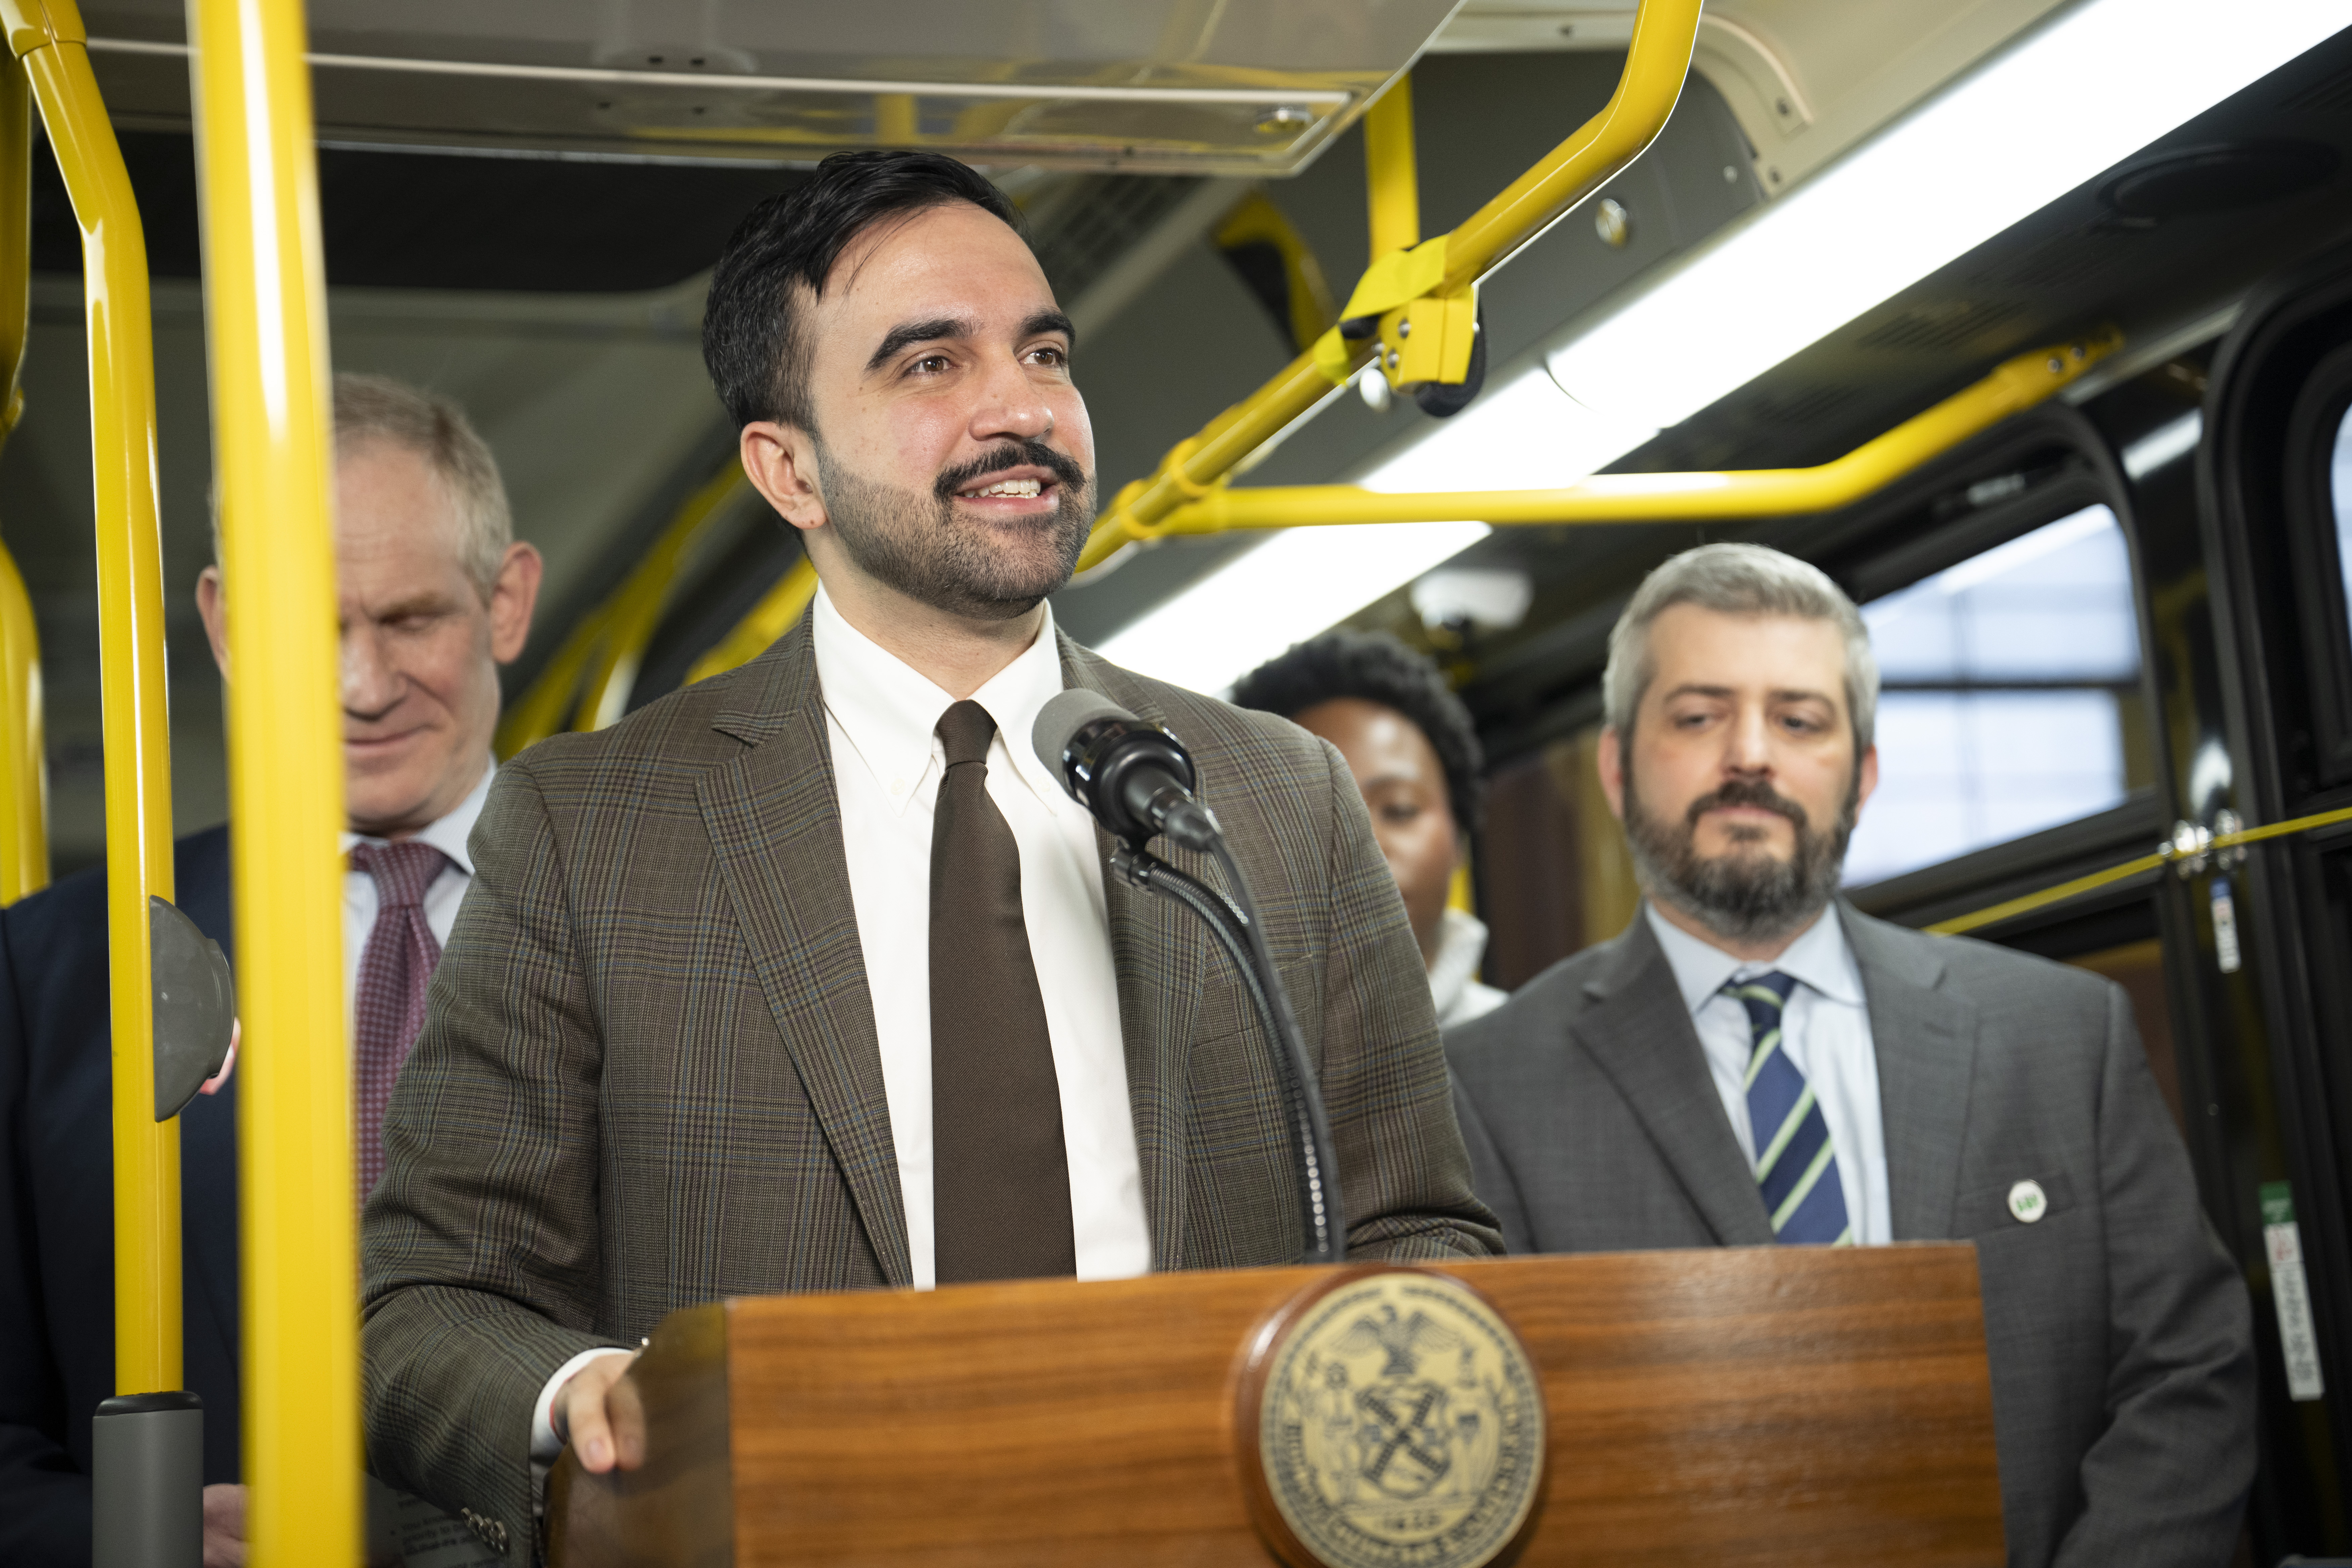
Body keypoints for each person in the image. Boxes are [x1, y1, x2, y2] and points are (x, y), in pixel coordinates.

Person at [360, 149, 1499, 1546]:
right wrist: (588, 1390)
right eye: (928, 366)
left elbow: (1424, 1238)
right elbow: (426, 1300)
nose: (1019, 408)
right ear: (790, 468)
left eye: (1042, 352)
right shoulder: (592, 827)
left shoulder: (1276, 798)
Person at [1446, 542, 2255, 1567]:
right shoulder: (1485, 1085)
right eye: (1697, 716)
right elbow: (1484, 1456)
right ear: (1615, 766)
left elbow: (2188, 1372)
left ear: (1861, 772)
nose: (1749, 754)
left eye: (1798, 718)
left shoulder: (2058, 1035)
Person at [0, 373, 543, 1568]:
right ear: (229, 626)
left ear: (506, 601)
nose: (361, 684)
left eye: (410, 619)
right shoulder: (46, 978)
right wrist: (118, 1536)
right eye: (311, 626)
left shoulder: (669, 917)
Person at [1232, 629, 1506, 1027]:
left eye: (1399, 809)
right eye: (1317, 817)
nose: (1366, 846)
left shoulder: (1535, 1051)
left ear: (1458, 835)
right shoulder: (1208, 1070)